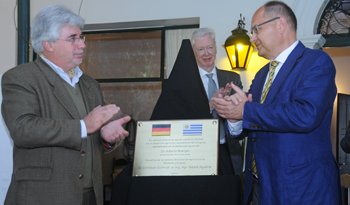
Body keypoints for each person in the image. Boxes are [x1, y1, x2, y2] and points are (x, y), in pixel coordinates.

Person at [211, 1, 342, 204]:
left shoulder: (316, 62)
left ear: (280, 25)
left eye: (256, 30)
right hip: (259, 187)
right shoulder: (262, 73)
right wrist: (232, 112)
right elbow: (249, 125)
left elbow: (306, 114)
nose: (252, 38)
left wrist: (246, 110)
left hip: (301, 188)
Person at [2, 5, 130, 205]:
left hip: (90, 196)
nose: (82, 45)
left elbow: (91, 139)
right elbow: (22, 129)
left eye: (81, 37)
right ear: (48, 44)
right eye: (73, 39)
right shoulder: (21, 78)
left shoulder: (90, 84)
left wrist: (106, 138)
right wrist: (83, 126)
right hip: (43, 196)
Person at [190, 28, 243, 176]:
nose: (206, 53)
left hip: (228, 151)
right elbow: (181, 118)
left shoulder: (233, 79)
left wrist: (229, 105)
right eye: (201, 49)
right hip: (198, 152)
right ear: (194, 53)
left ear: (216, 49)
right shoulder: (186, 83)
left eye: (210, 47)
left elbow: (242, 116)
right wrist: (210, 106)